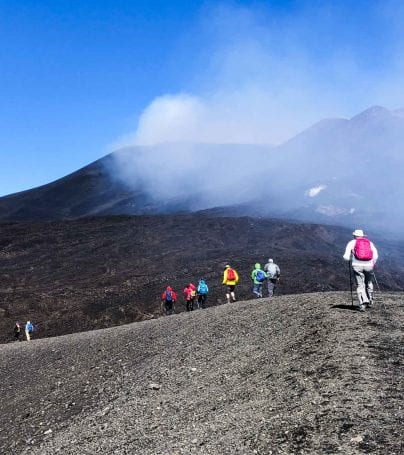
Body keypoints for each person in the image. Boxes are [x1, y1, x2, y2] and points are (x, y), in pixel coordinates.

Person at [343, 229, 378, 312]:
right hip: (369, 265)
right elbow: (375, 255)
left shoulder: (351, 243)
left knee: (360, 284)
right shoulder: (369, 243)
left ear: (354, 236)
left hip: (357, 266)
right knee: (369, 282)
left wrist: (351, 257)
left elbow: (346, 257)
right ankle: (370, 301)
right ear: (363, 236)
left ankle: (362, 304)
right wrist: (372, 263)